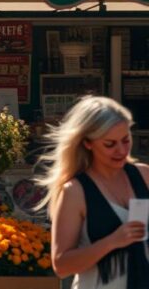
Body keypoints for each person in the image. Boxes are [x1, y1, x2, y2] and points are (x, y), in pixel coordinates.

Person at [37, 96, 149, 288]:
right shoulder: (74, 191)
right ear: (87, 143)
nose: (121, 150)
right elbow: (61, 266)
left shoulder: (144, 175)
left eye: (126, 140)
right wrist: (113, 241)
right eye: (110, 144)